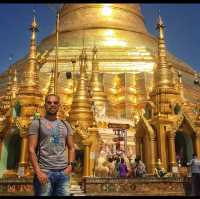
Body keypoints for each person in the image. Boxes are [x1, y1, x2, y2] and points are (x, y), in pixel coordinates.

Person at [28, 94, 75, 196]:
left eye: (55, 103)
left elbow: (71, 148)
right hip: (44, 172)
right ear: (44, 105)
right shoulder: (37, 123)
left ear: (59, 106)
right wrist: (38, 171)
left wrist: (70, 166)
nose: (52, 105)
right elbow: (31, 149)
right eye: (49, 102)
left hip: (63, 173)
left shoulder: (66, 125)